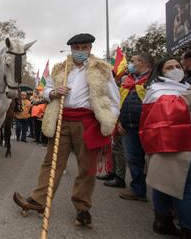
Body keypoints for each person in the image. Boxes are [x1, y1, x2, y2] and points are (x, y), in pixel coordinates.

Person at [13, 33, 120, 227]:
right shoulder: (60, 68)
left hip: (88, 123)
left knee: (87, 168)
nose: (80, 51)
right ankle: (39, 201)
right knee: (51, 163)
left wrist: (109, 120)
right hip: (61, 119)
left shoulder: (103, 69)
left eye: (84, 47)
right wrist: (53, 93)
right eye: (76, 48)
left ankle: (82, 209)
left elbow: (114, 99)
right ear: (71, 49)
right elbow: (46, 91)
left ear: (90, 49)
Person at [139, 57, 191, 237]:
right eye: (169, 67)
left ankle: (163, 222)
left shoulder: (184, 88)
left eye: (178, 66)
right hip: (173, 144)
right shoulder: (157, 90)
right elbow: (172, 109)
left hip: (174, 143)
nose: (176, 69)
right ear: (161, 73)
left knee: (164, 185)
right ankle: (187, 229)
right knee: (183, 189)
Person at [114, 53, 154, 198]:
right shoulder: (128, 81)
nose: (129, 64)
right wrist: (118, 121)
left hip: (149, 128)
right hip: (128, 127)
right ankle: (138, 190)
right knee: (133, 159)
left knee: (154, 161)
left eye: (132, 61)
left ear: (142, 63)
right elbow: (120, 103)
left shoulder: (154, 80)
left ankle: (164, 199)